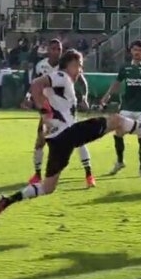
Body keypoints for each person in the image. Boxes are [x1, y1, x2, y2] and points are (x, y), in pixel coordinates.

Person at [0, 49, 141, 220]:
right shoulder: (61, 76)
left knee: (48, 187)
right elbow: (36, 84)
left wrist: (46, 109)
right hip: (68, 134)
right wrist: (44, 111)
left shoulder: (62, 81)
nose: (80, 70)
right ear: (68, 64)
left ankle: (7, 201)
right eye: (78, 65)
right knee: (116, 120)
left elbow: (41, 91)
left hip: (57, 141)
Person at [26, 39, 95, 188]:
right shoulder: (41, 65)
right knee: (40, 141)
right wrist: (30, 99)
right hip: (48, 110)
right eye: (54, 49)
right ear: (48, 50)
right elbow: (35, 83)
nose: (57, 51)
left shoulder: (66, 67)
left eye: (59, 49)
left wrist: (84, 97)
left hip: (64, 109)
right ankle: (37, 174)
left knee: (78, 140)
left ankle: (89, 174)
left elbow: (82, 81)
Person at [100, 40, 141, 178]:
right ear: (131, 51)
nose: (137, 52)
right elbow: (117, 83)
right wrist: (107, 96)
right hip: (127, 107)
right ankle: (120, 162)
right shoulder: (125, 68)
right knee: (118, 133)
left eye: (140, 50)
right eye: (135, 49)